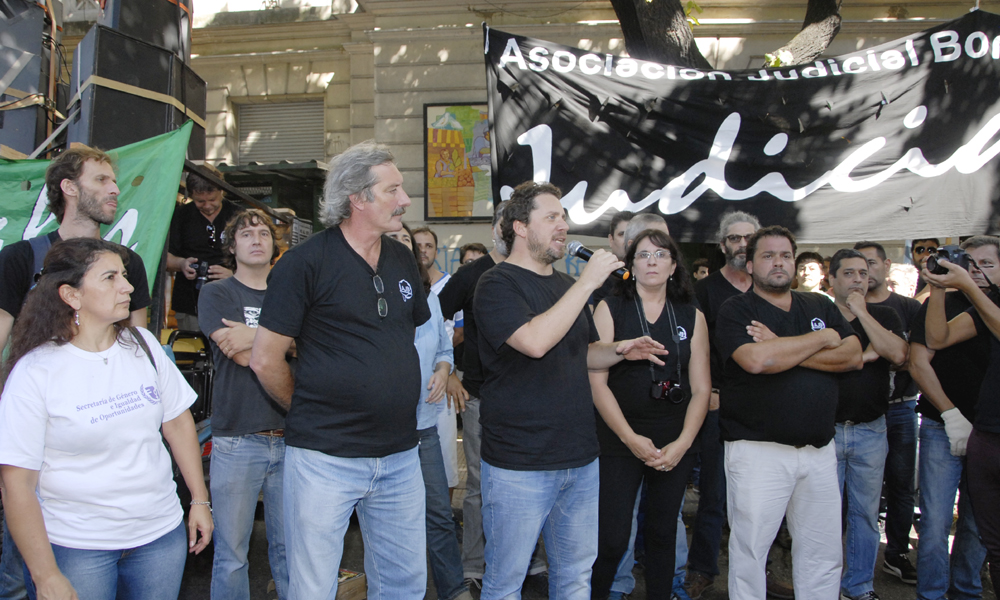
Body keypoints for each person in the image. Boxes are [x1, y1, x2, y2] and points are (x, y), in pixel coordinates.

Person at [249, 141, 430, 600]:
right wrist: (309, 409)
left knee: (405, 584)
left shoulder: (402, 257)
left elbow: (399, 343)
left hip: (400, 455)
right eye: (393, 190)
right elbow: (265, 358)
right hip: (324, 459)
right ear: (358, 198)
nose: (405, 200)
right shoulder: (303, 264)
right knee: (314, 588)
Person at [474, 181, 666, 599]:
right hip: (519, 463)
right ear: (520, 227)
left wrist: (619, 350)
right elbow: (534, 342)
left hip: (579, 459)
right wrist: (587, 284)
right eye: (552, 217)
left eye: (564, 217)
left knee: (575, 577)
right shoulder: (496, 284)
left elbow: (579, 353)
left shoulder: (564, 286)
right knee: (506, 583)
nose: (564, 226)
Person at [0, 238, 212, 600]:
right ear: (72, 295)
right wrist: (46, 574)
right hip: (76, 547)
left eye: (125, 276)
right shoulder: (35, 372)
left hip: (160, 538)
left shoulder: (144, 346)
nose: (127, 286)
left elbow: (177, 424)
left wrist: (199, 500)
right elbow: (16, 484)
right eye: (110, 277)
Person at [0, 146, 151, 598]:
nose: (114, 189)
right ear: (68, 188)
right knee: (17, 571)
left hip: (102, 440)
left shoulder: (128, 265)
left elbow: (139, 351)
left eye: (114, 181)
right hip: (32, 437)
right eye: (101, 180)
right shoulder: (20, 258)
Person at [715, 225, 862, 600]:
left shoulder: (819, 305)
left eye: (785, 256)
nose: (778, 263)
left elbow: (853, 356)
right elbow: (757, 360)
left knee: (823, 553)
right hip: (758, 452)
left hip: (818, 452)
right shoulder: (737, 309)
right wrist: (821, 339)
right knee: (750, 552)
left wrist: (783, 348)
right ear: (749, 264)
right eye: (768, 256)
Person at [589, 229, 710, 599]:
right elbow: (596, 379)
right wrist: (630, 439)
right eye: (643, 255)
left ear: (674, 266)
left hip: (674, 442)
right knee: (611, 539)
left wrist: (682, 444)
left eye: (660, 255)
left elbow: (702, 389)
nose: (652, 261)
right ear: (631, 265)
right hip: (619, 439)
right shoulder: (611, 307)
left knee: (662, 536)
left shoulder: (692, 316)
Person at [197, 209, 288, 600]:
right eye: (246, 234)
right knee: (232, 554)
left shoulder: (291, 292)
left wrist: (253, 334)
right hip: (237, 439)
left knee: (290, 549)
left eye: (264, 233)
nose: (256, 239)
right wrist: (285, 341)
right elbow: (240, 354)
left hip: (292, 438)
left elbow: (318, 348)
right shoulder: (217, 292)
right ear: (231, 246)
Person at [908, 236, 996, 600]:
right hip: (944, 427)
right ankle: (931, 594)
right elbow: (935, 340)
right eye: (966, 262)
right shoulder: (955, 301)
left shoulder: (989, 302)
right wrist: (939, 289)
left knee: (978, 528)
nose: (972, 271)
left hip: (990, 432)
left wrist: (966, 286)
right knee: (935, 522)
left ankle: (966, 592)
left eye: (984, 265)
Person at [387, 223, 472, 600]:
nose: (404, 246)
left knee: (438, 513)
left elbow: (444, 347)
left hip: (422, 426)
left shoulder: (430, 297)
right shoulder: (368, 293)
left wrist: (442, 368)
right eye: (397, 240)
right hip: (381, 429)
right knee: (390, 521)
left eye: (406, 240)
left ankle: (453, 590)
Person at [686, 211, 763, 600]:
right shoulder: (705, 291)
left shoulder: (773, 288)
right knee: (714, 494)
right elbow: (693, 346)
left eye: (749, 238)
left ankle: (759, 575)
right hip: (718, 404)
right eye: (734, 238)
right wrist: (709, 389)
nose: (742, 244)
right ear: (722, 246)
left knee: (761, 498)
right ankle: (703, 570)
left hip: (766, 406)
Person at [827, 249, 908, 600]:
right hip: (825, 432)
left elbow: (899, 354)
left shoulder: (885, 313)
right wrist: (864, 356)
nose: (858, 279)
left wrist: (862, 313)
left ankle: (859, 587)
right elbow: (810, 359)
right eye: (848, 273)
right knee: (824, 516)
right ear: (831, 280)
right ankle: (824, 587)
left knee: (865, 515)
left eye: (863, 273)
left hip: (871, 429)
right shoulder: (818, 315)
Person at [438, 205, 511, 590]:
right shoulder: (472, 273)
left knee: (523, 485)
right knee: (481, 486)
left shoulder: (534, 272)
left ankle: (527, 561)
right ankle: (473, 566)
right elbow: (433, 320)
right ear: (497, 226)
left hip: (525, 400)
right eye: (504, 221)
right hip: (481, 396)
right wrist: (447, 368)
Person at [853, 241, 923, 585]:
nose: (864, 273)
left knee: (901, 486)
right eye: (856, 267)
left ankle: (896, 553)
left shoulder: (907, 307)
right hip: (863, 413)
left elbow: (906, 356)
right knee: (860, 496)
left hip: (902, 408)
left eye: (870, 265)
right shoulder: (843, 309)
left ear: (885, 266)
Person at [166, 167, 238, 331]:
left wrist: (234, 275)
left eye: (212, 199)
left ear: (222, 191)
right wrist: (182, 264)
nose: (207, 206)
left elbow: (258, 262)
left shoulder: (238, 215)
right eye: (200, 201)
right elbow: (165, 258)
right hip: (190, 300)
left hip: (232, 299)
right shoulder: (180, 215)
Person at [592, 211, 634, 307]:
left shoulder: (650, 273)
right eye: (622, 234)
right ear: (611, 240)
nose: (628, 240)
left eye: (632, 234)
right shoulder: (601, 278)